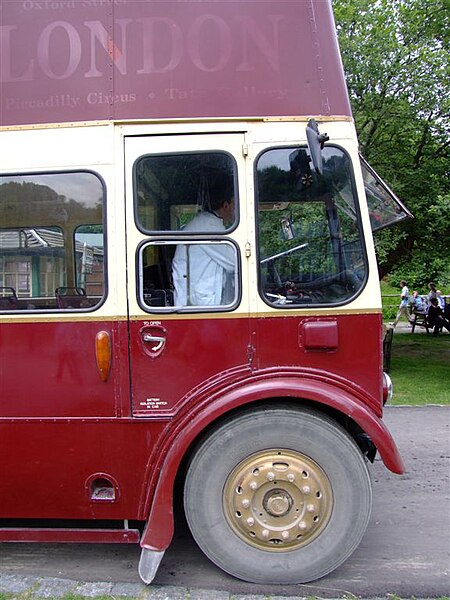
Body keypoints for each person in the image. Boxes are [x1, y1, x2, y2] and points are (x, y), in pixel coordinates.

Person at [172, 193, 235, 306]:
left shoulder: (206, 222)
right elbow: (233, 262)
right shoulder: (209, 225)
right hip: (199, 299)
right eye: (234, 206)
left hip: (198, 293)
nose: (235, 212)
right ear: (226, 206)